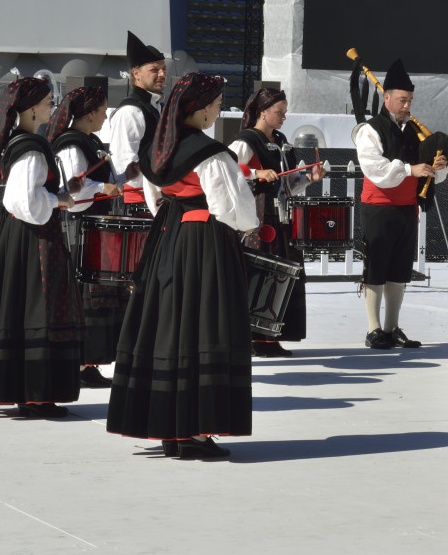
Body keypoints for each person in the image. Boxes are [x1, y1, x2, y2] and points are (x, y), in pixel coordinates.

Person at [107, 72, 259, 459]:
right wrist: (246, 227)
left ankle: (170, 427)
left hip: (167, 237)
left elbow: (153, 194)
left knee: (168, 323)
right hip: (204, 240)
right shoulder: (212, 153)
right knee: (203, 322)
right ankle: (193, 429)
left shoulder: (160, 148)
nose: (219, 109)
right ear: (203, 108)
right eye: (218, 103)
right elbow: (236, 211)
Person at [0, 77, 82, 418]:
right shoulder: (30, 147)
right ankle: (33, 393)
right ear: (31, 108)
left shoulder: (28, 142)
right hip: (32, 239)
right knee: (35, 307)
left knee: (25, 307)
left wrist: (61, 190)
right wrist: (58, 197)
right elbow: (22, 201)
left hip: (25, 236)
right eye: (48, 101)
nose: (52, 106)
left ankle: (31, 391)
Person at [352, 59, 448, 349]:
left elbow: (430, 175)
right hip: (378, 207)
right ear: (387, 98)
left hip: (407, 208)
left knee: (399, 270)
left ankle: (392, 327)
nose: (407, 106)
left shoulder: (413, 133)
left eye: (410, 101)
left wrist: (438, 165)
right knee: (376, 267)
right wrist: (410, 169)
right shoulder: (371, 130)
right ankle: (373, 329)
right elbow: (374, 167)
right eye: (402, 100)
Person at [230, 87, 324, 357]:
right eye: (278, 112)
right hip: (259, 219)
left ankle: (271, 336)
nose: (284, 117)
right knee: (260, 276)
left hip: (282, 218)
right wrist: (258, 172)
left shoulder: (282, 141)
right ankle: (252, 337)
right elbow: (227, 169)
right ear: (262, 113)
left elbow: (287, 185)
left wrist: (308, 179)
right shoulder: (246, 141)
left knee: (282, 277)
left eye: (285, 112)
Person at [49, 85, 124, 388]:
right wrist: (101, 188)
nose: (106, 115)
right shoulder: (70, 144)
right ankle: (77, 363)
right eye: (104, 109)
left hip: (92, 228)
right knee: (82, 296)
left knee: (93, 296)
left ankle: (87, 362)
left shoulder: (89, 141)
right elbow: (73, 193)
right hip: (77, 229)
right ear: (90, 112)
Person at [106, 31, 166, 216]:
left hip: (159, 198)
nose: (162, 74)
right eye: (154, 70)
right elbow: (124, 167)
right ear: (136, 74)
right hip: (139, 205)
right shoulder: (129, 112)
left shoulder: (158, 107)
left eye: (164, 69)